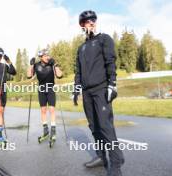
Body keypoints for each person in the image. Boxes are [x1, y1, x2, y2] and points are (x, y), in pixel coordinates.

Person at [73, 10, 124, 176]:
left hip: (101, 89)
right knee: (94, 126)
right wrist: (76, 88)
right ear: (82, 25)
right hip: (87, 93)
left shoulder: (104, 39)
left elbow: (111, 62)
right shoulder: (81, 48)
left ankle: (116, 162)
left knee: (105, 126)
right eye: (87, 21)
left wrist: (112, 85)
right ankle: (101, 157)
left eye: (93, 20)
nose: (91, 22)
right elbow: (78, 71)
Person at [27, 49, 62, 145]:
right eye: (45, 56)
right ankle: (46, 130)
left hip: (50, 88)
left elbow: (60, 75)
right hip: (41, 89)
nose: (48, 57)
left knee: (52, 110)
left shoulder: (51, 64)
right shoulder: (36, 65)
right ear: (41, 57)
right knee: (43, 110)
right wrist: (31, 65)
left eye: (48, 55)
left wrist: (55, 65)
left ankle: (53, 131)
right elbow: (29, 76)